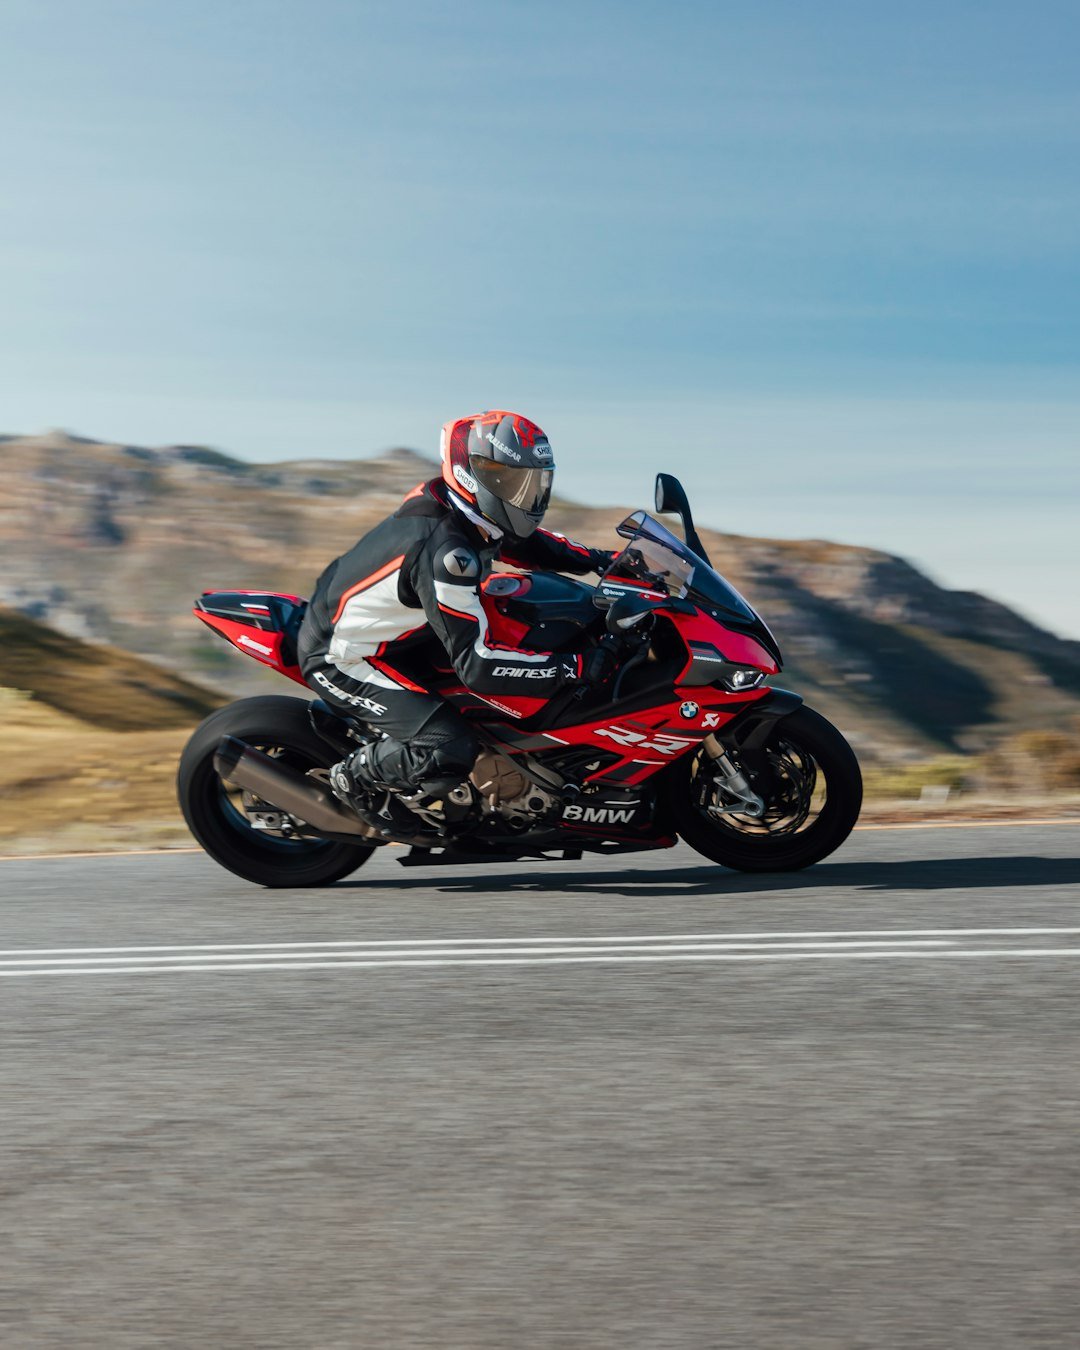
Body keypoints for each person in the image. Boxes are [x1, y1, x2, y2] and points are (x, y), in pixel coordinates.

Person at [296, 410, 617, 832]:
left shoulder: (464, 512)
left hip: (403, 634)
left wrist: (604, 560)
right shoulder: (446, 551)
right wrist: (573, 668)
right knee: (447, 746)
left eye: (532, 483)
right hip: (344, 655)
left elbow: (525, 543)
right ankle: (354, 777)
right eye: (511, 482)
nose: (524, 496)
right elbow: (479, 666)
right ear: (471, 473)